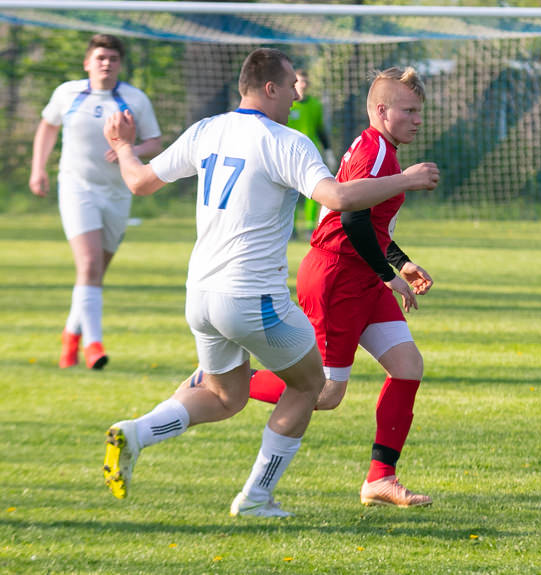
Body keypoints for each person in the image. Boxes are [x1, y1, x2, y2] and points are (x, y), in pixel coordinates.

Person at [99, 48, 439, 517]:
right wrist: (408, 180)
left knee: (226, 397)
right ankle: (256, 497)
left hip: (200, 293)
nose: (299, 94)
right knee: (313, 387)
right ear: (270, 88)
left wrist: (120, 146)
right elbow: (339, 200)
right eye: (292, 86)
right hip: (256, 293)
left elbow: (137, 182)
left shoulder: (207, 129)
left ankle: (136, 432)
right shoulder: (288, 141)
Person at [228, 66, 434, 508]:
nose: (418, 119)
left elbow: (372, 222)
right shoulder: (378, 154)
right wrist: (389, 275)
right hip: (338, 277)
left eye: (420, 111)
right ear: (382, 110)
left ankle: (381, 479)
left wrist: (402, 261)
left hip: (361, 274)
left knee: (407, 366)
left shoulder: (380, 148)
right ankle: (227, 381)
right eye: (409, 110)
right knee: (324, 393)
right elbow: (351, 219)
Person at [29, 34, 162, 369]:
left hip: (118, 194)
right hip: (77, 188)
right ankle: (94, 345)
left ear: (120, 64)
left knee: (94, 273)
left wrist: (126, 150)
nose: (106, 63)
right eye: (100, 57)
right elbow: (47, 127)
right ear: (87, 62)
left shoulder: (134, 99)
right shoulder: (67, 93)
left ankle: (70, 336)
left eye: (113, 58)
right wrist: (38, 169)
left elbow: (154, 143)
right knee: (87, 266)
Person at [288, 69, 335, 237]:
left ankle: (309, 228)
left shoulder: (315, 104)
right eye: (300, 81)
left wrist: (328, 151)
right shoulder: (288, 104)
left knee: (313, 191)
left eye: (306, 81)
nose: (304, 84)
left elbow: (320, 130)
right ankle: (290, 228)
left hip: (311, 154)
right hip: (290, 155)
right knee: (290, 192)